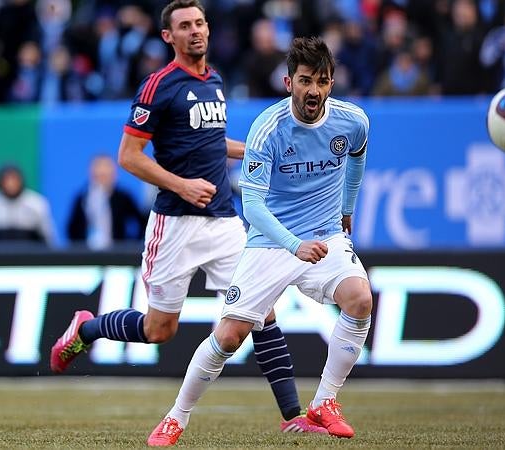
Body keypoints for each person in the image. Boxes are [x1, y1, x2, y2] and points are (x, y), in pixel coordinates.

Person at [49, 0, 326, 437]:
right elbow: (129, 157)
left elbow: (214, 143)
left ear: (208, 29)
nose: (195, 30)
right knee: (160, 329)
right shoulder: (159, 85)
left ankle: (294, 418)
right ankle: (88, 326)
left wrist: (262, 152)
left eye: (199, 23)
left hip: (224, 222)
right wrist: (180, 185)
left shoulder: (215, 79)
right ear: (168, 36)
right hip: (176, 223)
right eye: (184, 25)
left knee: (262, 311)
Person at [146, 36, 372, 446]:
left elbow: (356, 157)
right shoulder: (268, 128)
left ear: (332, 83)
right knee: (229, 336)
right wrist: (293, 245)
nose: (314, 91)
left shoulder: (353, 121)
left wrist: (346, 206)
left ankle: (324, 403)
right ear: (289, 83)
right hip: (270, 242)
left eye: (322, 81)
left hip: (325, 236)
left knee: (360, 299)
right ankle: (176, 416)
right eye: (305, 81)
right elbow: (252, 204)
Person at [67, 154, 147, 250]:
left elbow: (140, 222)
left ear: (114, 175)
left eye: (106, 174)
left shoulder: (123, 198)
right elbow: (72, 228)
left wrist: (130, 244)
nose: (102, 176)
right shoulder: (82, 198)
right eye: (99, 175)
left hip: (117, 252)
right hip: (87, 252)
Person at [0, 163, 56, 248]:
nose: (11, 184)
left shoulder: (36, 203)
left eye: (14, 179)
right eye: (6, 180)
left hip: (29, 257)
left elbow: (48, 237)